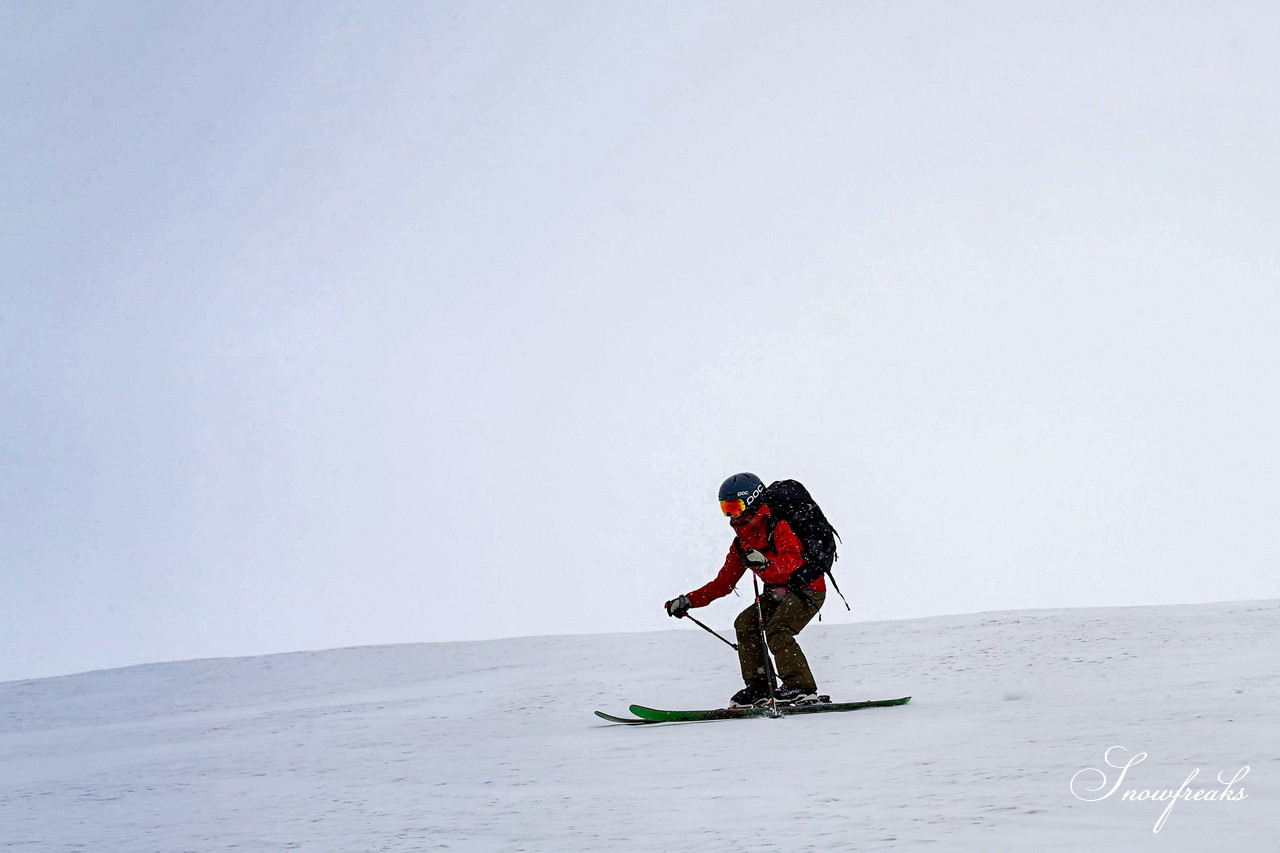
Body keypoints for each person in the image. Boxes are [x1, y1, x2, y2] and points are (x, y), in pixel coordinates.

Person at [665, 472, 826, 707]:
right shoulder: (742, 542)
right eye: (725, 508)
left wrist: (766, 564)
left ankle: (800, 687)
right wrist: (688, 600)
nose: (731, 514)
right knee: (745, 623)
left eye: (735, 506)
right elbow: (723, 584)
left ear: (752, 500)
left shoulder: (777, 526)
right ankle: (760, 687)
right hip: (776, 593)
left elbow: (794, 561)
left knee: (778, 629)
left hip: (807, 590)